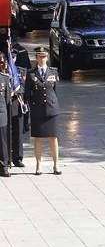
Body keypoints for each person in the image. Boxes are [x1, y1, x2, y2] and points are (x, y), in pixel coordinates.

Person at [25, 47, 61, 175]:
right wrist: (31, 108)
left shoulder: (53, 72)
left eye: (44, 56)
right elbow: (27, 94)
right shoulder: (31, 74)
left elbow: (55, 91)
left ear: (47, 57)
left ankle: (56, 164)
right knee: (38, 138)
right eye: (40, 56)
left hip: (52, 109)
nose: (42, 59)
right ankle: (38, 165)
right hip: (38, 109)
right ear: (36, 58)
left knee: (53, 137)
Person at [0, 56, 13, 177]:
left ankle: (3, 166)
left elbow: (8, 98)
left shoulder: (4, 79)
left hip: (1, 114)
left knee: (3, 142)